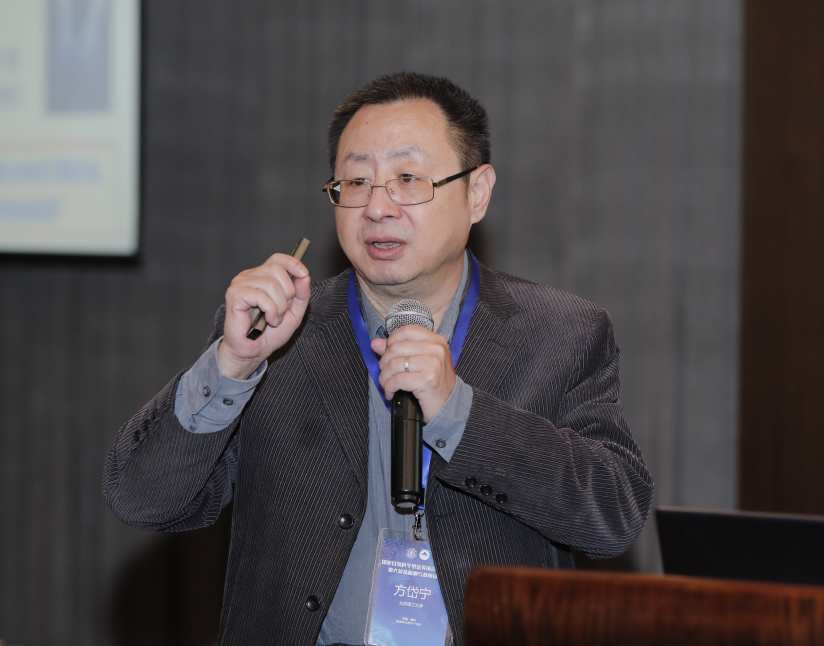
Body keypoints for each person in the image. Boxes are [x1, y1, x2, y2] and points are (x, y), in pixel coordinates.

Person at [103, 72, 653, 646]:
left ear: (477, 192)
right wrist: (231, 364)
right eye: (356, 181)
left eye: (407, 179)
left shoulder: (560, 333)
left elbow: (612, 517)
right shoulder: (279, 335)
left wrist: (461, 413)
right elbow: (141, 500)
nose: (377, 207)